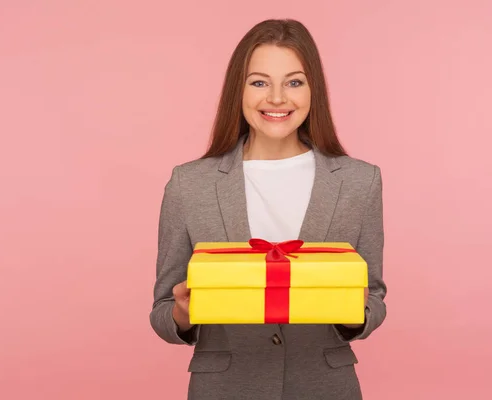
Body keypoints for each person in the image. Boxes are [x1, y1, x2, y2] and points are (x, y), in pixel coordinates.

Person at [149, 18, 387, 400]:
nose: (277, 98)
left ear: (314, 92)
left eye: (294, 82)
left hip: (325, 386)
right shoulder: (188, 184)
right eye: (259, 82)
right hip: (224, 387)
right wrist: (182, 312)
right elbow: (163, 310)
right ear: (238, 91)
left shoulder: (360, 181)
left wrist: (354, 310)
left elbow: (373, 297)